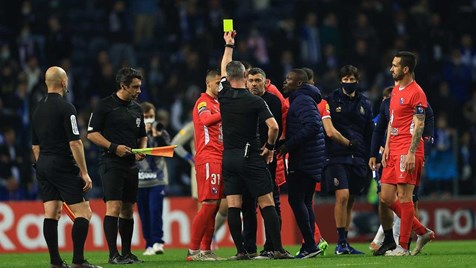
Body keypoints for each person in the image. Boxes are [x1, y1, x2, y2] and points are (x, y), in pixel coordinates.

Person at [218, 30, 292, 260]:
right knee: (266, 201)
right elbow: (274, 128)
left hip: (228, 157)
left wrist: (229, 45)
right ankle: (277, 249)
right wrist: (269, 148)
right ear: (245, 76)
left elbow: (224, 67)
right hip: (250, 156)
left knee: (234, 205)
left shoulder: (223, 94)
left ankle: (241, 251)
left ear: (229, 78)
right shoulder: (255, 101)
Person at [31, 66, 100, 268]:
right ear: (63, 83)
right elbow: (75, 142)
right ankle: (78, 261)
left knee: (51, 212)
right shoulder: (66, 107)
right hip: (61, 163)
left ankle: (56, 263)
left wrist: (45, 164)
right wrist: (84, 172)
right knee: (84, 213)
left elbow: (35, 146)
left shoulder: (37, 108)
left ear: (46, 83)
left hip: (42, 163)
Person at [87, 67, 147, 264]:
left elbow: (142, 136)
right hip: (111, 162)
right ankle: (113, 254)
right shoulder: (104, 105)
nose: (139, 91)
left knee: (128, 209)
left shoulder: (137, 108)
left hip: (130, 164)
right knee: (113, 206)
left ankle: (127, 253)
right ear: (123, 86)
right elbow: (92, 134)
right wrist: (114, 147)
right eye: (135, 87)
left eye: (139, 86)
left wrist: (141, 151)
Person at [368, 85, 435, 256]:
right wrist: (387, 147)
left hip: (408, 150)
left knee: (407, 197)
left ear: (405, 69)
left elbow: (422, 123)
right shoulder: (395, 94)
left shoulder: (417, 93)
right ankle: (422, 231)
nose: (392, 69)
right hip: (393, 151)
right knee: (385, 196)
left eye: (395, 65)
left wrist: (415, 152)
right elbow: (391, 123)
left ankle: (403, 246)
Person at [324, 65, 374, 255]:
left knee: (351, 199)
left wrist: (371, 155)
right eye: (345, 79)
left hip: (358, 156)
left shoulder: (365, 104)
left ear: (357, 81)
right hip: (336, 154)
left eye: (352, 79)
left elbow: (370, 131)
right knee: (342, 195)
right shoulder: (330, 100)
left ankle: (344, 242)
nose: (348, 82)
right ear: (340, 80)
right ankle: (341, 242)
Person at [277, 68, 326, 258]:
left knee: (296, 200)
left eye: (288, 79)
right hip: (310, 157)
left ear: (299, 83)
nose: (285, 82)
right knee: (304, 201)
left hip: (305, 158)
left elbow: (313, 125)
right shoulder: (303, 99)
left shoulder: (302, 100)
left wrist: (288, 145)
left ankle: (310, 245)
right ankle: (310, 244)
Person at [242, 67, 283, 259]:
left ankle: (271, 246)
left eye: (258, 80)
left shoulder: (273, 101)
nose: (254, 84)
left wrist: (269, 147)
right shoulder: (243, 101)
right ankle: (249, 247)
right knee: (248, 205)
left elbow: (276, 128)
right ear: (245, 82)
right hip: (246, 157)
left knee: (270, 202)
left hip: (265, 157)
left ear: (265, 82)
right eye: (251, 80)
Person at [186, 69, 226, 261]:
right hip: (208, 157)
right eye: (217, 82)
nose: (220, 86)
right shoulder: (203, 102)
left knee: (215, 205)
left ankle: (206, 249)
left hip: (220, 156)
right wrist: (226, 111)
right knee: (209, 204)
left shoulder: (218, 103)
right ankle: (193, 251)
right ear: (208, 83)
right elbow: (206, 120)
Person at [137, 102, 169, 256]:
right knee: (143, 213)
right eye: (146, 117)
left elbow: (167, 151)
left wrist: (158, 136)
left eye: (151, 116)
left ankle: (158, 242)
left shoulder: (161, 131)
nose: (149, 119)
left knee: (155, 210)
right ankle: (148, 243)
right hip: (140, 180)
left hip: (158, 179)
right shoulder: (135, 132)